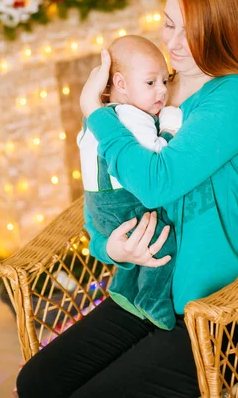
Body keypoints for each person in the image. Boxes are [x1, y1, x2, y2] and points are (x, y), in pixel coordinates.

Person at [17, 0, 238, 398]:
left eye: (191, 30)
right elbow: (109, 193)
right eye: (168, 24)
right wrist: (111, 247)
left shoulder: (235, 96)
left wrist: (97, 113)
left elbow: (156, 182)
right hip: (151, 295)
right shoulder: (159, 87)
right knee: (35, 383)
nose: (174, 44)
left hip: (223, 316)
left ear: (223, 29)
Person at [78, 34, 182, 330]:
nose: (162, 90)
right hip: (124, 200)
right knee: (163, 242)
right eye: (151, 83)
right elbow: (158, 159)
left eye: (165, 80)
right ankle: (153, 300)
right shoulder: (132, 117)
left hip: (97, 206)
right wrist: (171, 126)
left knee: (138, 245)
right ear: (121, 84)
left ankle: (124, 290)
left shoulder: (97, 118)